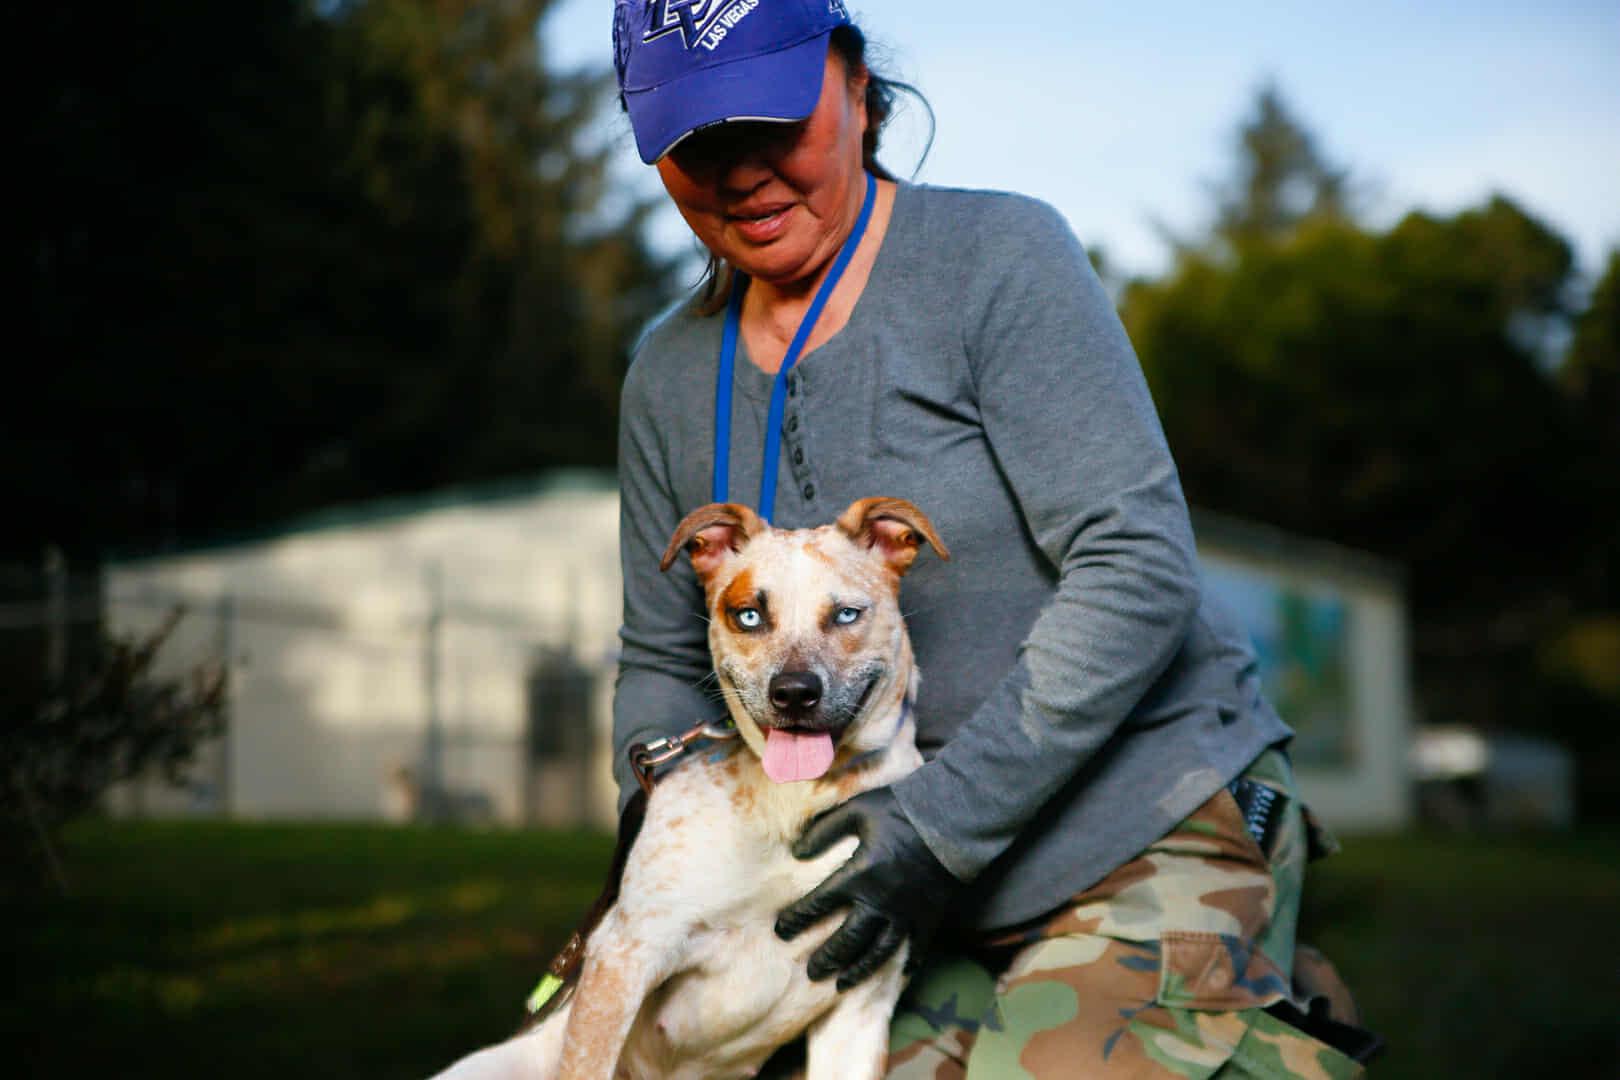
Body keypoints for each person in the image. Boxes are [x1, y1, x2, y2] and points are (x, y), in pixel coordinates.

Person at [607, 2, 1374, 1076]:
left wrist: (939, 823)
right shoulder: (667, 376)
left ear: (857, 87)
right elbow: (659, 661)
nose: (740, 172)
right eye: (697, 141)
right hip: (866, 877)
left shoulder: (997, 260)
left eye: (770, 122)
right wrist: (661, 825)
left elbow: (1136, 564)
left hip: (1130, 820)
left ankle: (1230, 1001)